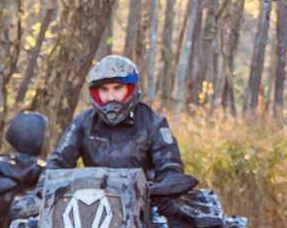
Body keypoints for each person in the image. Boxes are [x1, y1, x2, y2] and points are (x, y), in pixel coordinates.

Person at [47, 54, 194, 193]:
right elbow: (58, 162)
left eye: (117, 88)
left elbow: (170, 168)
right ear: (96, 93)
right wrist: (44, 190)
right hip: (91, 203)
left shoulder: (153, 122)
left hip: (144, 203)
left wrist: (165, 193)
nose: (111, 97)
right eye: (104, 90)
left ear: (130, 89)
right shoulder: (84, 122)